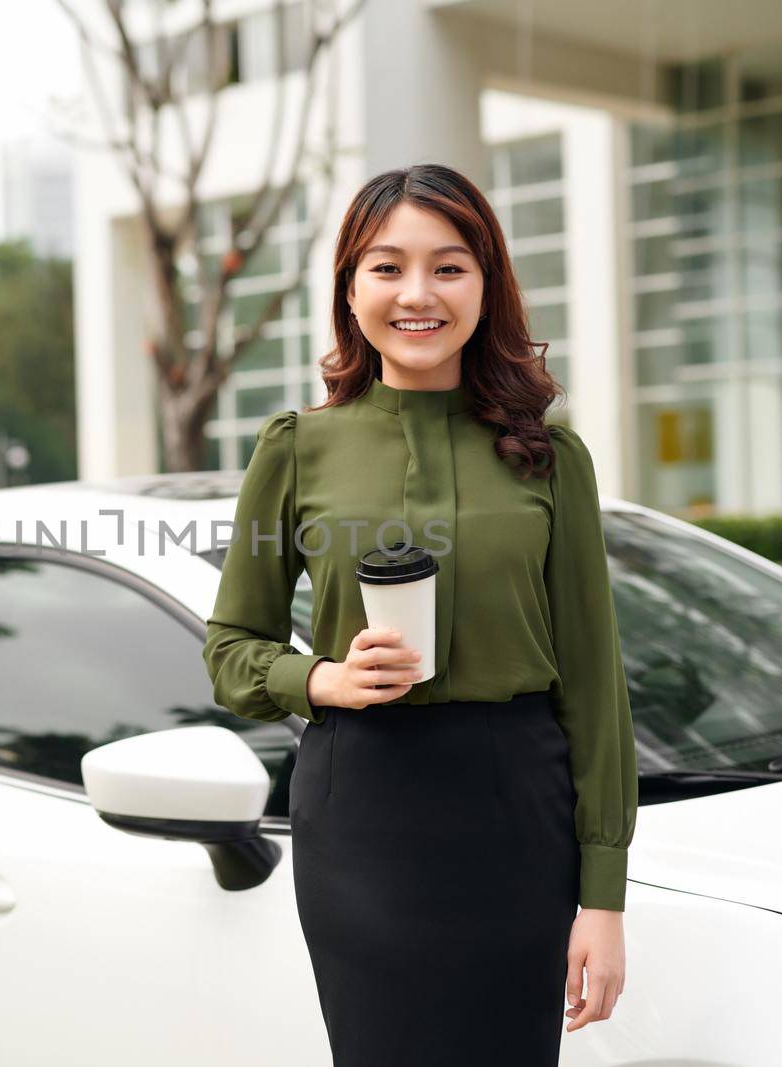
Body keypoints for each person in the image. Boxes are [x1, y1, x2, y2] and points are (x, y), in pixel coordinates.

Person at [202, 163, 637, 1065]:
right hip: (362, 812)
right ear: (350, 289)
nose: (417, 293)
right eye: (387, 267)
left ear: (487, 284)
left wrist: (604, 894)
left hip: (519, 814)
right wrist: (319, 677)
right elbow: (230, 649)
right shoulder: (295, 448)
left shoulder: (550, 454)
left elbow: (596, 686)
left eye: (449, 266)